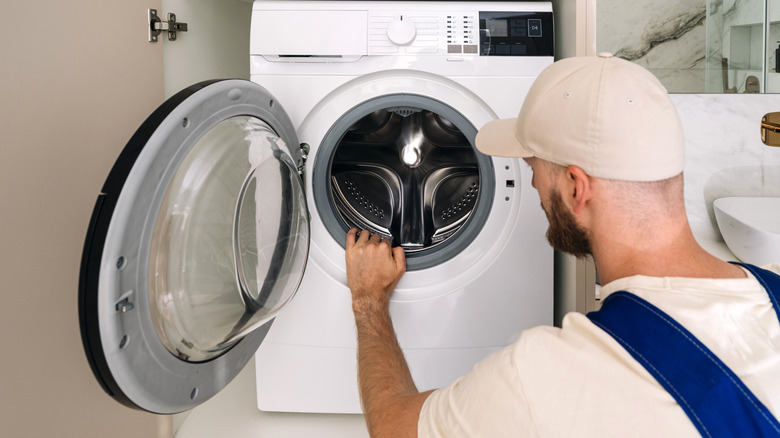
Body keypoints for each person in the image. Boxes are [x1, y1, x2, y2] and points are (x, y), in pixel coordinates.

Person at [344, 53, 780, 437]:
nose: (531, 182)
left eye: (534, 166)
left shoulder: (543, 375)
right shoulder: (771, 296)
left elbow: (392, 429)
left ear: (576, 187)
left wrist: (368, 302)